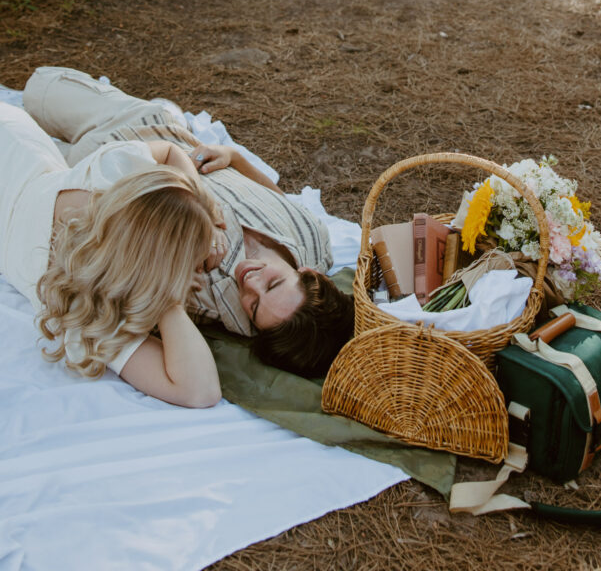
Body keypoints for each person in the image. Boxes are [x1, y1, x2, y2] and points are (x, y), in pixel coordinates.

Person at [22, 67, 355, 378]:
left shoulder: (218, 304)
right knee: (37, 86)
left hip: (92, 175)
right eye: (272, 284)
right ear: (308, 274)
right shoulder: (314, 240)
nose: (250, 283)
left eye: (253, 307)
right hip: (147, 127)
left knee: (15, 144)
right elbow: (277, 199)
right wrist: (234, 157)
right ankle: (165, 110)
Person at [0, 101, 226, 407]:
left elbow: (169, 154)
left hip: (15, 143)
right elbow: (199, 391)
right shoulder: (87, 304)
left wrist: (203, 216)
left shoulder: (113, 178)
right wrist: (168, 296)